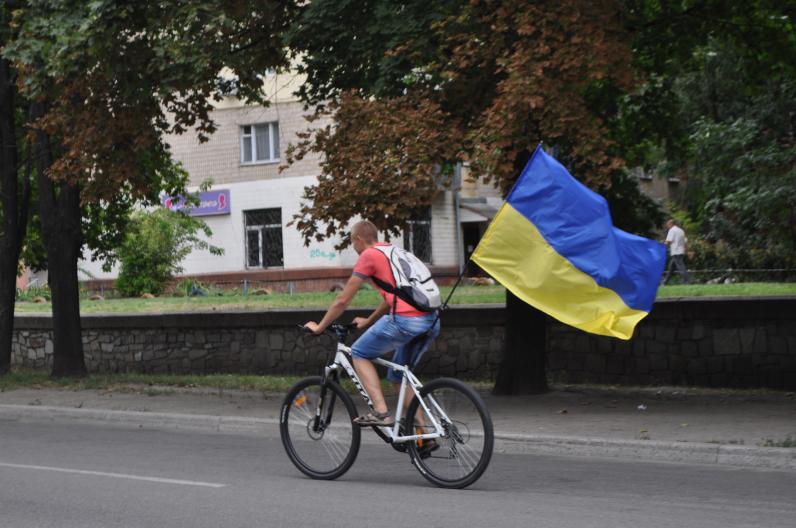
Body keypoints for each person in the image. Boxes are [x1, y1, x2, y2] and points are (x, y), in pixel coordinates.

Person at [303, 220, 440, 427]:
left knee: (359, 352)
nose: (353, 247)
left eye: (352, 242)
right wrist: (368, 321)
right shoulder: (393, 252)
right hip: (430, 320)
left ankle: (381, 412)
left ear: (358, 239)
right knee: (398, 376)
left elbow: (343, 300)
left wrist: (319, 327)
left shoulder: (369, 256)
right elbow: (394, 297)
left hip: (406, 321)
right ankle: (424, 435)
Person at [662, 218, 691, 284]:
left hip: (676, 252)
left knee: (681, 267)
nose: (667, 226)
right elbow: (685, 242)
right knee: (671, 268)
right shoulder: (681, 231)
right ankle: (665, 282)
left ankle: (687, 281)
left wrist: (661, 246)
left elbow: (668, 241)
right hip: (681, 252)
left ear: (671, 224)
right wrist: (688, 251)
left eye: (668, 225)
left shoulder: (672, 230)